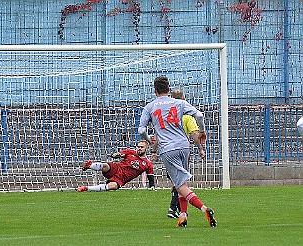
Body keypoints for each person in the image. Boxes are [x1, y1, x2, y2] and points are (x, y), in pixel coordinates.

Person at [138, 76, 216, 228]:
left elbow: (141, 130)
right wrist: (202, 131)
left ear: (155, 91)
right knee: (182, 183)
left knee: (179, 186)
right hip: (184, 146)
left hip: (168, 148)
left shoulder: (150, 107)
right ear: (169, 90)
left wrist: (148, 140)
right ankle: (183, 216)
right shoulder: (179, 103)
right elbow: (199, 115)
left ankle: (204, 209)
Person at [78, 140, 155, 192]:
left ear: (147, 148)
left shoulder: (148, 164)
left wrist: (152, 187)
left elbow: (150, 177)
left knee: (112, 186)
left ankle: (86, 188)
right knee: (106, 166)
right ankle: (90, 165)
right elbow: (120, 154)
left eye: (142, 147)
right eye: (138, 147)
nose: (139, 148)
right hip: (117, 168)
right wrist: (116, 155)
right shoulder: (130, 152)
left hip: (122, 178)